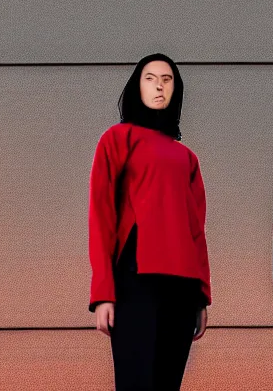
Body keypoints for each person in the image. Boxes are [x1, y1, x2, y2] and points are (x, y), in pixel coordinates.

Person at [88, 53, 211, 390]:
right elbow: (101, 217)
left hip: (183, 287)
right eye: (150, 77)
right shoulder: (117, 138)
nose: (159, 84)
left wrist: (201, 295)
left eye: (167, 79)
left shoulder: (187, 157)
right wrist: (103, 293)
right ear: (136, 87)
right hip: (135, 280)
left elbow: (196, 230)